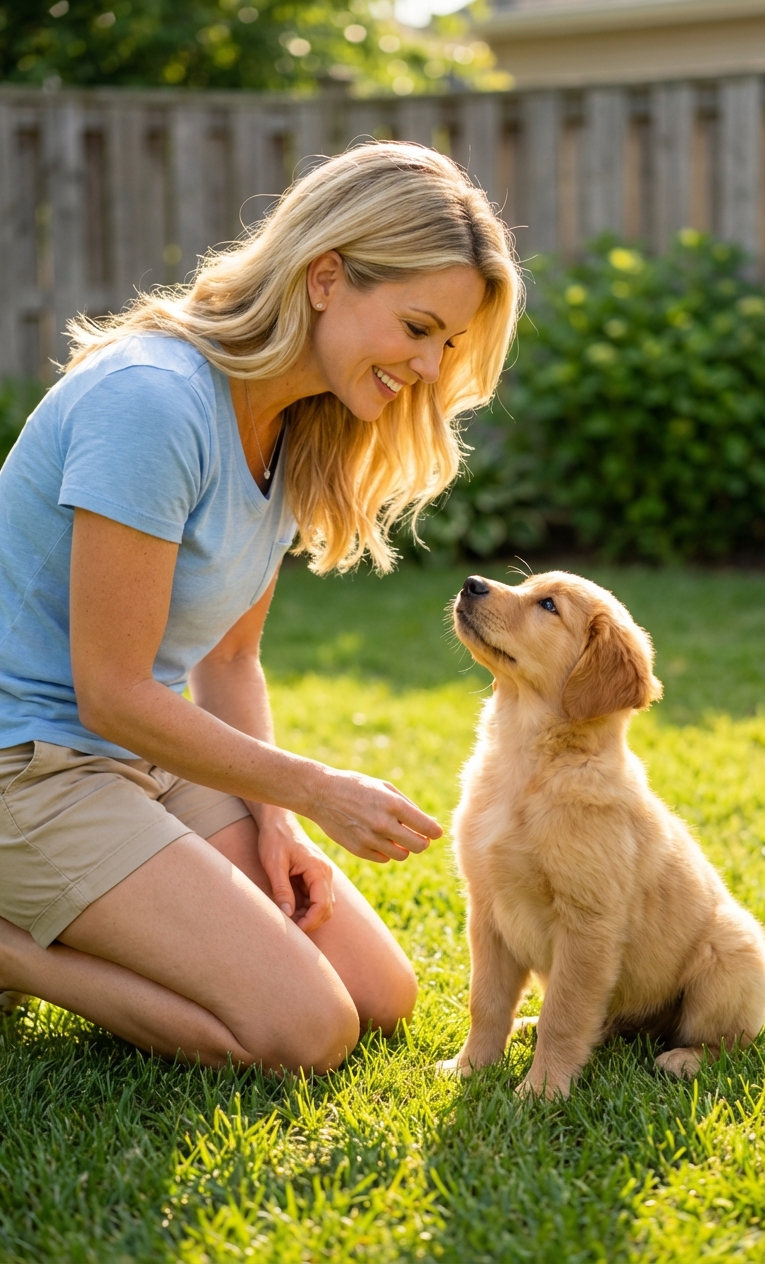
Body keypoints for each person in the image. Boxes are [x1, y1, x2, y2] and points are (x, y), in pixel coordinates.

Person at [0, 142, 521, 1075]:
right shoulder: (151, 402)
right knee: (306, 1032)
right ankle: (12, 950)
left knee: (381, 995)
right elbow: (112, 692)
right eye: (416, 326)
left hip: (135, 759)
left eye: (448, 344)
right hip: (25, 767)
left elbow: (230, 660)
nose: (432, 367)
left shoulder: (294, 424)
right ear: (326, 276)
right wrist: (315, 792)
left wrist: (272, 824)